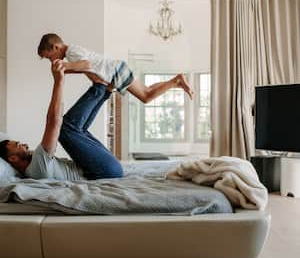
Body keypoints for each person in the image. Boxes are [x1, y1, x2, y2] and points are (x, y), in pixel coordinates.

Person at [0, 61, 123, 180]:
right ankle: (100, 86)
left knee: (77, 130)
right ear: (13, 159)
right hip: (105, 171)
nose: (24, 144)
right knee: (64, 128)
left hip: (105, 169)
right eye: (17, 145)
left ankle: (105, 90)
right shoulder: (37, 167)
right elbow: (53, 122)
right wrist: (58, 81)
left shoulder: (33, 167)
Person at [37, 33, 194, 102]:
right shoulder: (72, 52)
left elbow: (86, 65)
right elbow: (85, 68)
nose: (51, 60)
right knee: (147, 89)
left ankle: (176, 81)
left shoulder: (71, 52)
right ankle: (177, 83)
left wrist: (65, 65)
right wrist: (65, 70)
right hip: (117, 69)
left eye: (49, 56)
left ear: (56, 47)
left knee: (146, 97)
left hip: (116, 72)